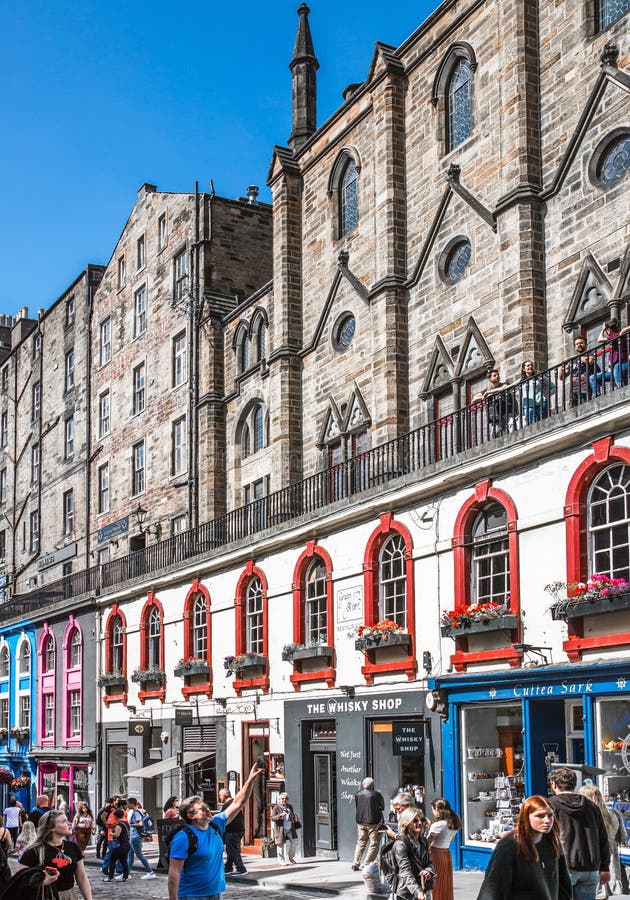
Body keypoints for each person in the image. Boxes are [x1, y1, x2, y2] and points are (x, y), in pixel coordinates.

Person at [167, 763, 263, 900]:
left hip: (216, 894)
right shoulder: (183, 838)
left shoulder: (215, 824)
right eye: (202, 809)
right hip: (191, 896)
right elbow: (174, 872)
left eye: (207, 807)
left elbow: (238, 803)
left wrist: (250, 780)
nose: (208, 810)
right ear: (191, 816)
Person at [476, 795, 571, 900]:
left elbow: (563, 884)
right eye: (540, 816)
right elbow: (494, 887)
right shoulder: (510, 845)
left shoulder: (552, 842)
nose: (547, 820)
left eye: (550, 815)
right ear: (527, 817)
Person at [548, 766, 610, 900]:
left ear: (553, 784)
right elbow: (603, 838)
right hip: (590, 866)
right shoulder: (592, 806)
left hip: (564, 866)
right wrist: (605, 866)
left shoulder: (550, 805)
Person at [17, 809, 93, 900]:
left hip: (70, 896)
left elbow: (81, 877)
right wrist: (42, 882)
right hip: (45, 895)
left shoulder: (73, 847)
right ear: (52, 828)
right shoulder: (34, 851)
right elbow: (18, 880)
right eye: (64, 821)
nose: (70, 824)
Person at [579, 784, 626, 897]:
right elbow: (623, 838)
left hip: (593, 864)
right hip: (613, 864)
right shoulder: (614, 813)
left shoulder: (586, 816)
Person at [388, 807, 434, 900]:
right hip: (406, 893)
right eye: (415, 821)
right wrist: (418, 891)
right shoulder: (400, 844)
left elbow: (429, 862)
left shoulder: (423, 841)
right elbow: (405, 871)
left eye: (421, 820)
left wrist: (428, 871)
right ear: (406, 823)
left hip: (423, 888)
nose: (420, 823)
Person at [427, 798, 461, 900]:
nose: (432, 812)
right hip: (446, 853)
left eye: (433, 809)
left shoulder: (438, 825)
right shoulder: (453, 823)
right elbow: (448, 840)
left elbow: (428, 842)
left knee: (436, 883)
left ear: (437, 809)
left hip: (436, 853)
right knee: (446, 882)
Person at [352, 777, 385, 871]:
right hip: (373, 822)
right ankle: (365, 864)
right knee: (374, 844)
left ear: (363, 784)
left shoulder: (357, 794)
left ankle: (356, 862)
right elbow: (382, 807)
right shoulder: (376, 794)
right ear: (372, 785)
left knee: (361, 842)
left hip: (361, 821)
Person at [590, 319, 630, 395]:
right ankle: (597, 397)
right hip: (614, 368)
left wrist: (602, 330)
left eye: (606, 330)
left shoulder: (615, 336)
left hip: (619, 365)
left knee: (621, 386)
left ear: (609, 329)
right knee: (593, 378)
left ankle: (623, 395)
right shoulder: (617, 336)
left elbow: (599, 339)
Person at [473, 369, 516, 438]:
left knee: (511, 426)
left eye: (498, 375)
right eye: (494, 375)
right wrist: (485, 395)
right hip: (496, 414)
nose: (497, 377)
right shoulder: (487, 389)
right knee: (496, 432)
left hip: (507, 411)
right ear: (490, 379)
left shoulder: (504, 383)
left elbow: (503, 388)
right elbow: (474, 398)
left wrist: (488, 393)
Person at [560, 334, 597, 405]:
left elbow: (590, 361)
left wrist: (573, 357)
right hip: (574, 390)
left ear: (586, 345)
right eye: (577, 344)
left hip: (585, 387)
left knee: (585, 406)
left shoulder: (590, 354)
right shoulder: (573, 361)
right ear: (575, 347)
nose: (579, 345)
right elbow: (562, 377)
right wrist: (562, 365)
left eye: (581, 343)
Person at [219, 787, 247, 876]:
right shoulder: (234, 802)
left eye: (220, 795)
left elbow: (222, 818)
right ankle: (228, 867)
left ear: (224, 795)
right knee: (230, 849)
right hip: (238, 830)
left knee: (233, 849)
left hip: (232, 831)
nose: (219, 797)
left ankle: (241, 868)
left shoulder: (227, 805)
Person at [127, 797, 156, 879]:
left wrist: (131, 825)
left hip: (135, 836)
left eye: (128, 803)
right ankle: (127, 873)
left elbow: (140, 824)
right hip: (137, 835)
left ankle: (150, 872)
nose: (127, 805)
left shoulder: (136, 812)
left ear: (132, 803)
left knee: (139, 855)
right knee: (130, 854)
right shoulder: (142, 811)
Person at [519, 360, 555, 424]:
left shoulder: (539, 377)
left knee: (544, 422)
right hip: (528, 406)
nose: (530, 366)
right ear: (523, 369)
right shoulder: (521, 381)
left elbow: (553, 387)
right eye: (528, 365)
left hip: (540, 404)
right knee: (531, 424)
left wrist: (547, 394)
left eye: (532, 365)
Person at [271, 791, 301, 865]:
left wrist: (295, 818)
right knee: (280, 844)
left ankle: (290, 857)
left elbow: (292, 815)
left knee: (295, 842)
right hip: (281, 829)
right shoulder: (276, 807)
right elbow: (273, 818)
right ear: (280, 799)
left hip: (290, 828)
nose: (284, 800)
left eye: (286, 798)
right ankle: (281, 860)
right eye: (283, 798)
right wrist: (280, 815)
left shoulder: (289, 806)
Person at [103, 807, 130, 883]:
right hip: (126, 844)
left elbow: (117, 834)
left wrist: (111, 833)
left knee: (112, 861)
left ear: (116, 816)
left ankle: (110, 877)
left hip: (119, 845)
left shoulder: (119, 825)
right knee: (124, 861)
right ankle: (125, 876)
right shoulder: (126, 824)